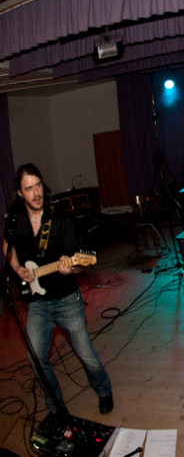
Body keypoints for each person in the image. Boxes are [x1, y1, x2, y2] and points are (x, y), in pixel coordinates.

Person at [2, 163, 113, 427]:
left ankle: (104, 390)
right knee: (36, 359)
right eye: (29, 188)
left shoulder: (59, 219)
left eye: (38, 185)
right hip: (37, 303)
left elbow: (78, 264)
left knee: (86, 354)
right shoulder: (15, 219)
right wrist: (17, 268)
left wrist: (71, 266)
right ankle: (56, 407)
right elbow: (7, 245)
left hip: (66, 299)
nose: (36, 193)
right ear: (20, 193)